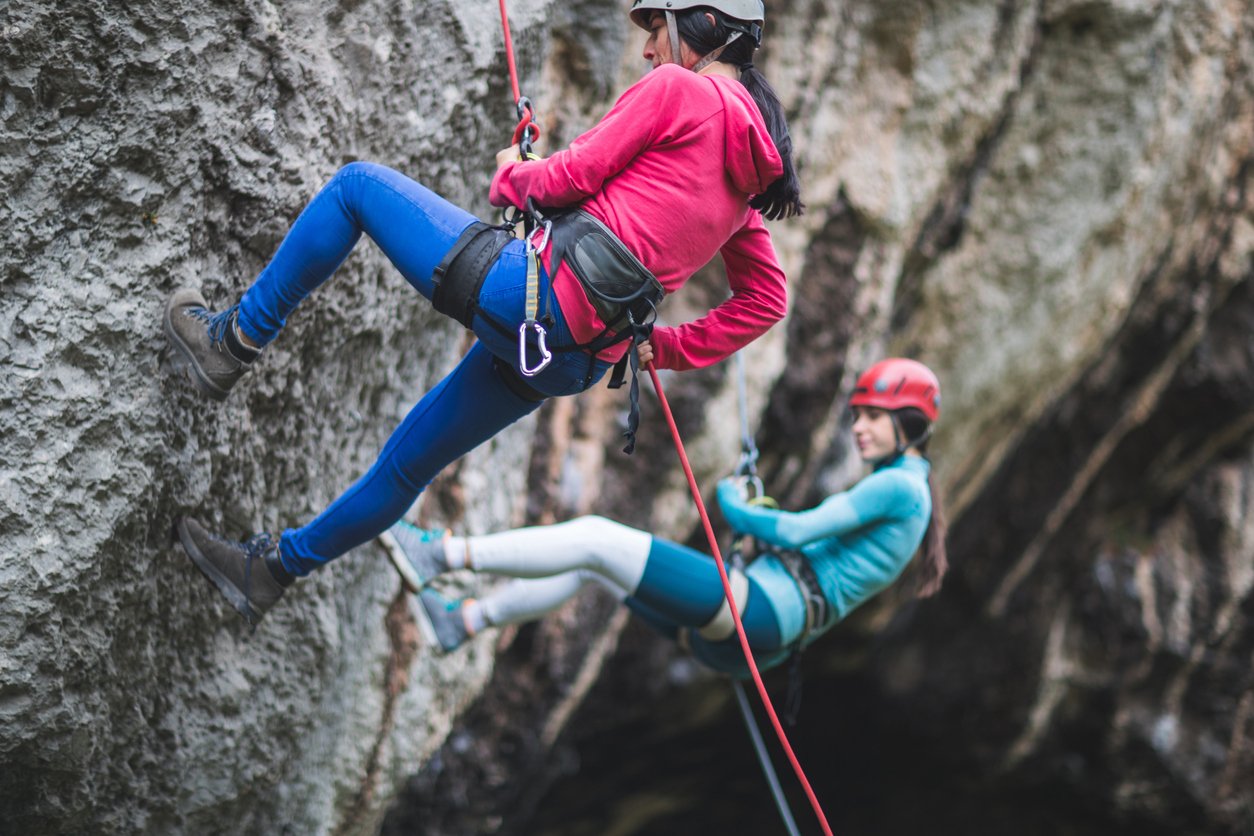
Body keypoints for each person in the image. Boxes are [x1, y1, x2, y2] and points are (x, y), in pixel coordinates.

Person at [165, 1, 804, 628]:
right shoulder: (749, 176)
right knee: (408, 465)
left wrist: (514, 174)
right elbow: (766, 299)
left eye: (656, 28)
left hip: (535, 301)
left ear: (706, 25)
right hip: (573, 361)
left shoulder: (679, 92)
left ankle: (233, 341)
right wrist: (663, 349)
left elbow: (565, 181)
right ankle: (272, 572)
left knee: (356, 188)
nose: (648, 49)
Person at [383, 358, 949, 675]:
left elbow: (797, 531)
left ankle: (441, 555)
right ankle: (464, 620)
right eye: (860, 415)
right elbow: (817, 551)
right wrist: (758, 513)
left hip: (759, 614)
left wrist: (735, 505)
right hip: (758, 630)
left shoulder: (901, 488)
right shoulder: (904, 491)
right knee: (597, 568)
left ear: (910, 427)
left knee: (597, 539)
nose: (860, 427)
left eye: (876, 417)